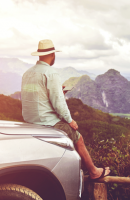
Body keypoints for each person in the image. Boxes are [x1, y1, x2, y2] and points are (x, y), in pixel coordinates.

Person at [21, 39, 110, 179]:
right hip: (47, 122)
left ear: (39, 55)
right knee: (78, 139)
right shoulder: (51, 73)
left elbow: (35, 96)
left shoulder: (27, 73)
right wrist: (70, 120)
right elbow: (58, 104)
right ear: (53, 55)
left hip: (30, 120)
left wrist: (59, 93)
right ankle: (93, 171)